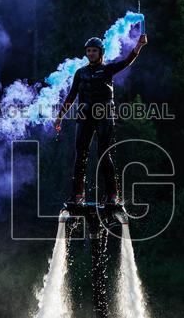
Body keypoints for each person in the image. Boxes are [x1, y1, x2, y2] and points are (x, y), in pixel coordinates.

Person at [54, 32, 148, 204]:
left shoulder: (107, 70)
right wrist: (60, 117)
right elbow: (71, 96)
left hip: (104, 116)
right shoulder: (80, 73)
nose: (91, 53)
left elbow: (127, 61)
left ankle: (112, 194)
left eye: (94, 51)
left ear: (101, 53)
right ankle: (77, 195)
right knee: (80, 155)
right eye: (88, 50)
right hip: (84, 117)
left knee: (103, 154)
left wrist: (139, 45)